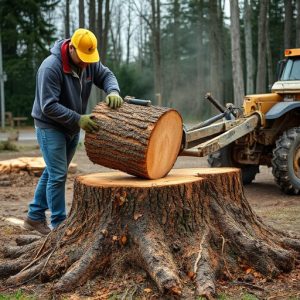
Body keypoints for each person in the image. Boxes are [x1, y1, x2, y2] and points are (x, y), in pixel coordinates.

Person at [24, 28, 123, 235]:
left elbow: (106, 74)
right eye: (83, 58)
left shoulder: (87, 61)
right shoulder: (50, 68)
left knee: (54, 171)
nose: (87, 63)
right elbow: (48, 106)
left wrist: (113, 91)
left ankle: (34, 216)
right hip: (49, 125)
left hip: (72, 125)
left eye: (90, 58)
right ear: (71, 48)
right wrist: (78, 119)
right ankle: (59, 225)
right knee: (58, 174)